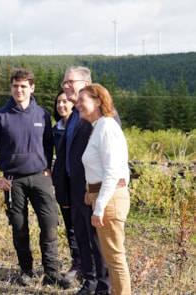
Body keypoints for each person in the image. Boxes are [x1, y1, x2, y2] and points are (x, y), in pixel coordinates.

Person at [0, 68, 73, 290]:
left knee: (49, 224)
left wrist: (49, 168)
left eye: (23, 86)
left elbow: (49, 142)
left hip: (40, 178)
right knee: (19, 227)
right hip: (13, 181)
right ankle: (26, 271)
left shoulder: (42, 114)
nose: (19, 90)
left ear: (32, 87)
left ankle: (51, 272)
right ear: (11, 88)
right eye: (15, 86)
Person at [52, 66, 111, 295]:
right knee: (82, 240)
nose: (65, 86)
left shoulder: (101, 116)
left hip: (91, 190)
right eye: (63, 83)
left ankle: (104, 288)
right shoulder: (74, 114)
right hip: (74, 189)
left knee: (97, 242)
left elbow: (110, 156)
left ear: (86, 83)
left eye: (70, 82)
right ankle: (90, 283)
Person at [77, 84, 131, 295]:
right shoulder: (98, 127)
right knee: (112, 257)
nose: (77, 104)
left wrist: (99, 206)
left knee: (115, 258)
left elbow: (113, 171)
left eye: (83, 100)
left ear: (98, 101)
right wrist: (90, 192)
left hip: (109, 200)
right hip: (102, 195)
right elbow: (100, 168)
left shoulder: (107, 127)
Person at [52, 90, 82, 279]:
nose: (62, 105)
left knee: (85, 225)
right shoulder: (55, 129)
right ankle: (77, 263)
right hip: (63, 183)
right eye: (58, 102)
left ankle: (92, 266)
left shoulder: (82, 125)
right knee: (70, 224)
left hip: (80, 182)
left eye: (65, 101)